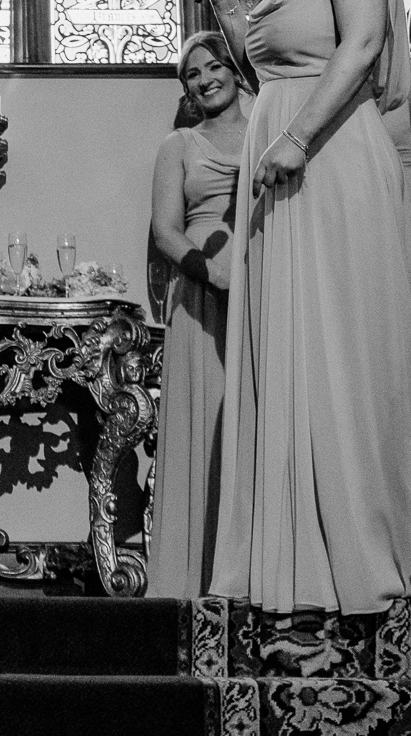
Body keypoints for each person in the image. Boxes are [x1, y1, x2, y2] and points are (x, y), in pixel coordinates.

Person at [198, 0, 411, 614]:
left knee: (338, 337)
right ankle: (300, 538)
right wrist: (226, 1)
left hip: (329, 157)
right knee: (296, 340)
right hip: (285, 155)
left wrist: (299, 137)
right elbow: (272, 63)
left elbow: (365, 44)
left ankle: (359, 538)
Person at [146, 30, 251, 600]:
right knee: (207, 429)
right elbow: (164, 229)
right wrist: (212, 271)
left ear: (236, 69)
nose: (206, 78)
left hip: (272, 283)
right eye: (193, 73)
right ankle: (199, 574)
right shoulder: (179, 145)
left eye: (215, 67)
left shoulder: (273, 121)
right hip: (202, 293)